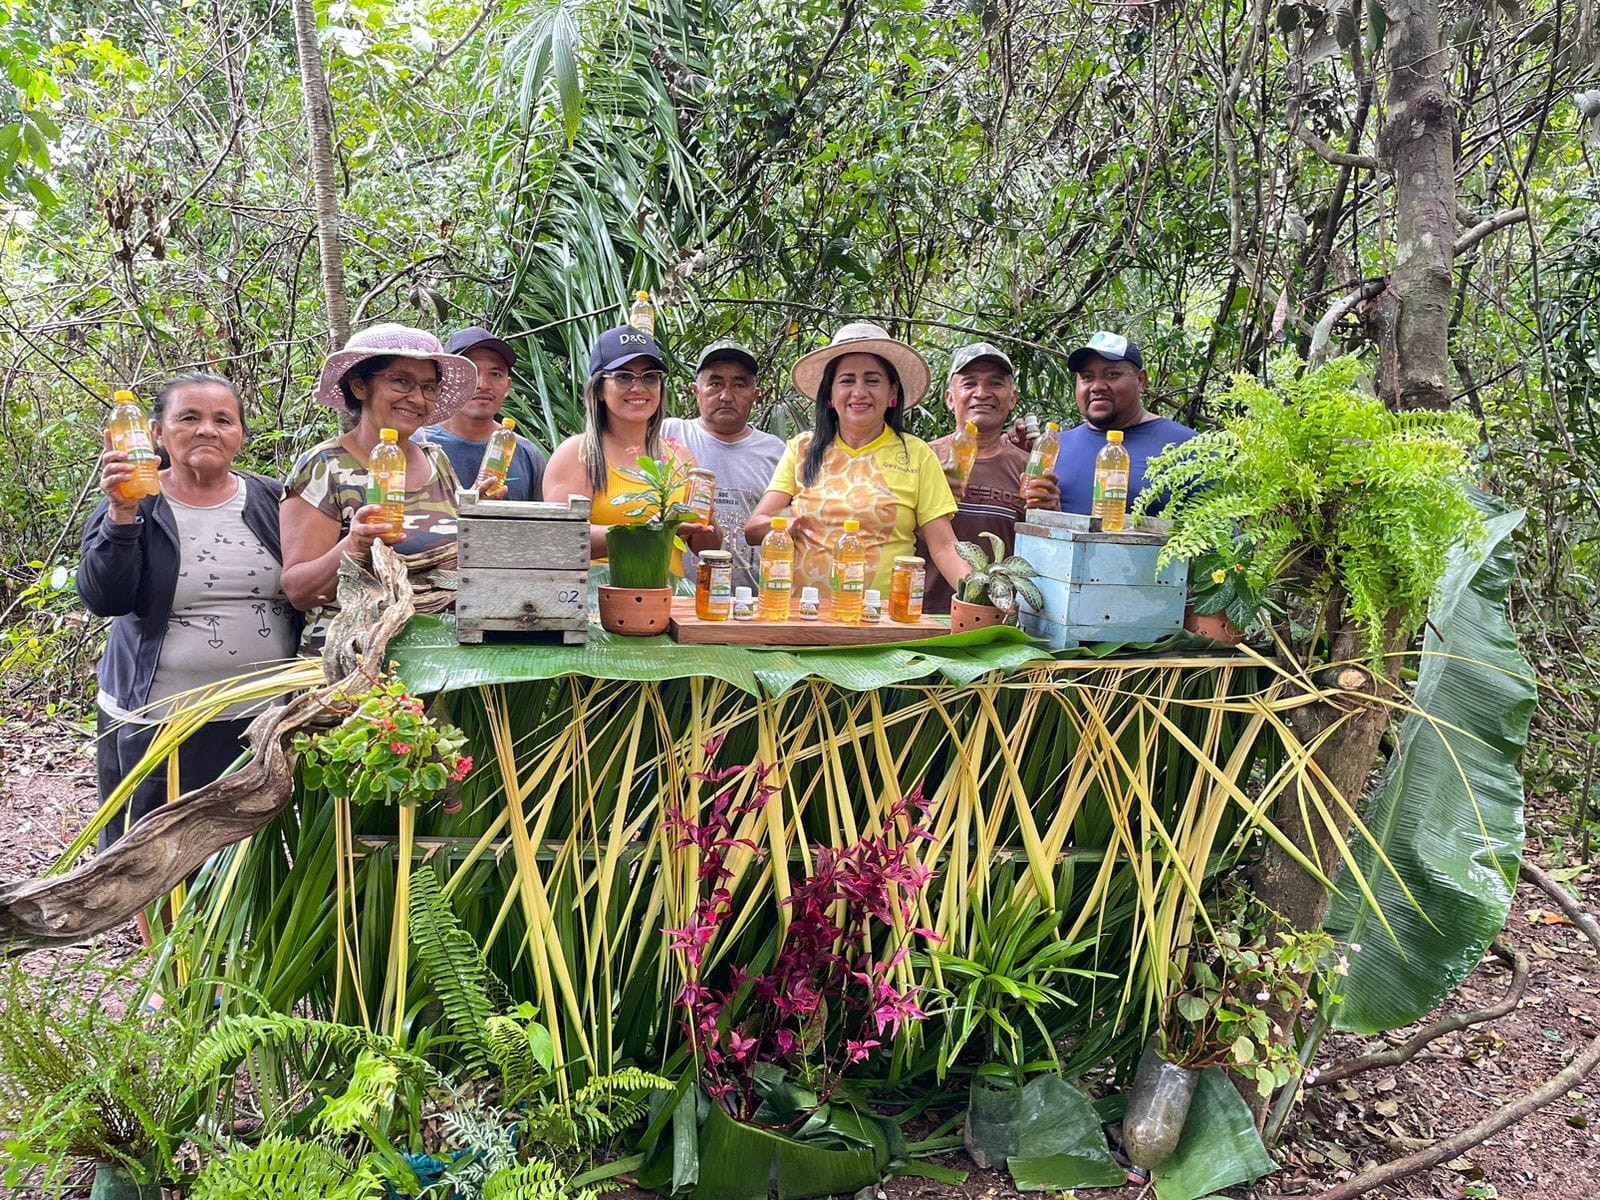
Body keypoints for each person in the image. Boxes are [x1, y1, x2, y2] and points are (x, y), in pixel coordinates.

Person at [78, 372, 301, 936]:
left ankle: (241, 974)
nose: (207, 429)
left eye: (223, 419)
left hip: (260, 719)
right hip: (159, 716)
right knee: (151, 849)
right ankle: (170, 978)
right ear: (155, 433)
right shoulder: (133, 503)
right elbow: (105, 597)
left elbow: (310, 585)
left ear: (242, 434)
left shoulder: (272, 499)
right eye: (188, 418)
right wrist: (121, 515)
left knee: (247, 855)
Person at [280, 324, 477, 639]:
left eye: (429, 387)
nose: (417, 398)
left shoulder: (436, 459)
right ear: (359, 386)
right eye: (401, 382)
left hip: (436, 661)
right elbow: (299, 591)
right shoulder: (324, 465)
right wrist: (354, 545)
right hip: (354, 664)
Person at [745, 322, 969, 598]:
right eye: (847, 380)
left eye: (872, 380)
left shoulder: (917, 454)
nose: (859, 392)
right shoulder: (801, 448)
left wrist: (981, 596)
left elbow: (944, 546)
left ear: (893, 394)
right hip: (801, 621)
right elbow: (754, 527)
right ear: (829, 395)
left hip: (884, 624)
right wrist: (783, 525)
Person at [542, 325, 720, 570]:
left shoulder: (679, 456)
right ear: (600, 390)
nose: (638, 388)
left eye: (650, 376)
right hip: (598, 598)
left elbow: (706, 547)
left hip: (667, 598)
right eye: (623, 376)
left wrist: (707, 515)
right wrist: (646, 532)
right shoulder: (578, 453)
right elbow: (559, 537)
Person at [915, 342, 1061, 613]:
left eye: (995, 384)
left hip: (1001, 619)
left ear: (1012, 399)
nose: (982, 393)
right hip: (923, 617)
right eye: (969, 383)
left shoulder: (1031, 469)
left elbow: (1050, 557)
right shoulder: (922, 458)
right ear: (950, 398)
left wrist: (1051, 515)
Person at [660, 339, 785, 593]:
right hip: (676, 601)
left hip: (749, 603)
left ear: (756, 395)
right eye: (715, 384)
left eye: (739, 385)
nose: (726, 396)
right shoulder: (669, 435)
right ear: (696, 391)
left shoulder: (776, 452)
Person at [1053, 332, 1197, 514]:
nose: (1097, 386)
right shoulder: (1055, 446)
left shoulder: (1187, 447)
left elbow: (1217, 534)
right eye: (1087, 377)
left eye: (1112, 374)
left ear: (1141, 380)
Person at [419, 325, 548, 501]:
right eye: (470, 372)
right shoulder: (419, 446)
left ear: (508, 386)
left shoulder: (528, 455)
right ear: (445, 382)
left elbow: (542, 524)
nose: (483, 384)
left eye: (495, 374)